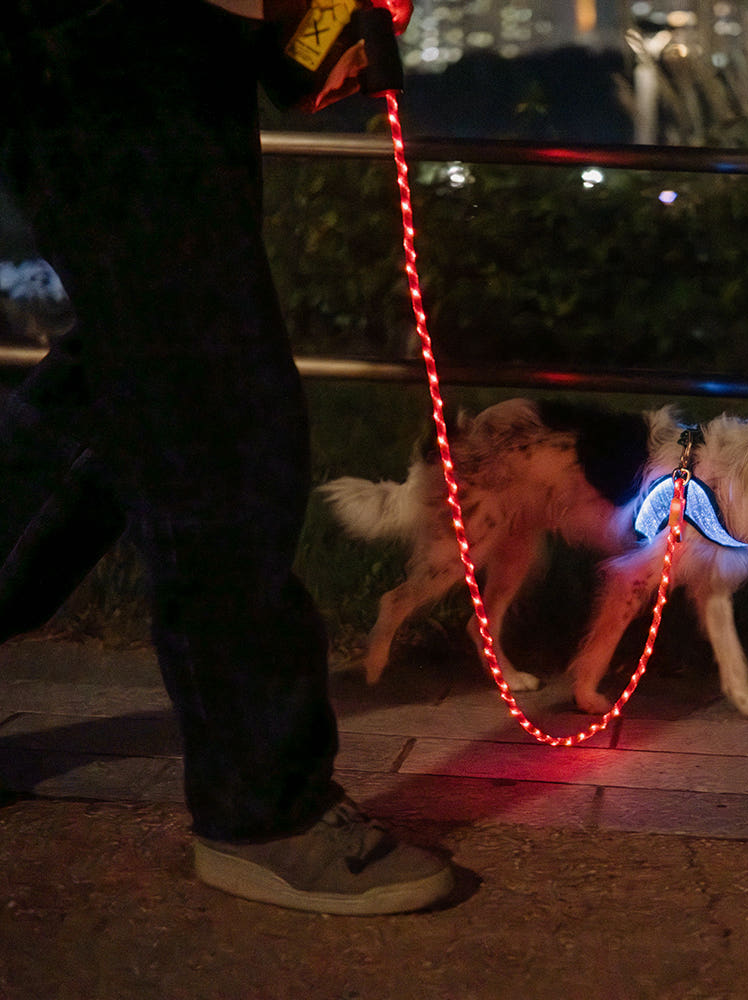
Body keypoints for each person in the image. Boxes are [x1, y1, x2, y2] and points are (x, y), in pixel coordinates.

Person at [0, 0, 455, 914]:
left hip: (161, 43)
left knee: (133, 372)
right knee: (216, 410)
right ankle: (263, 809)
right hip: (104, 41)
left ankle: (261, 797)